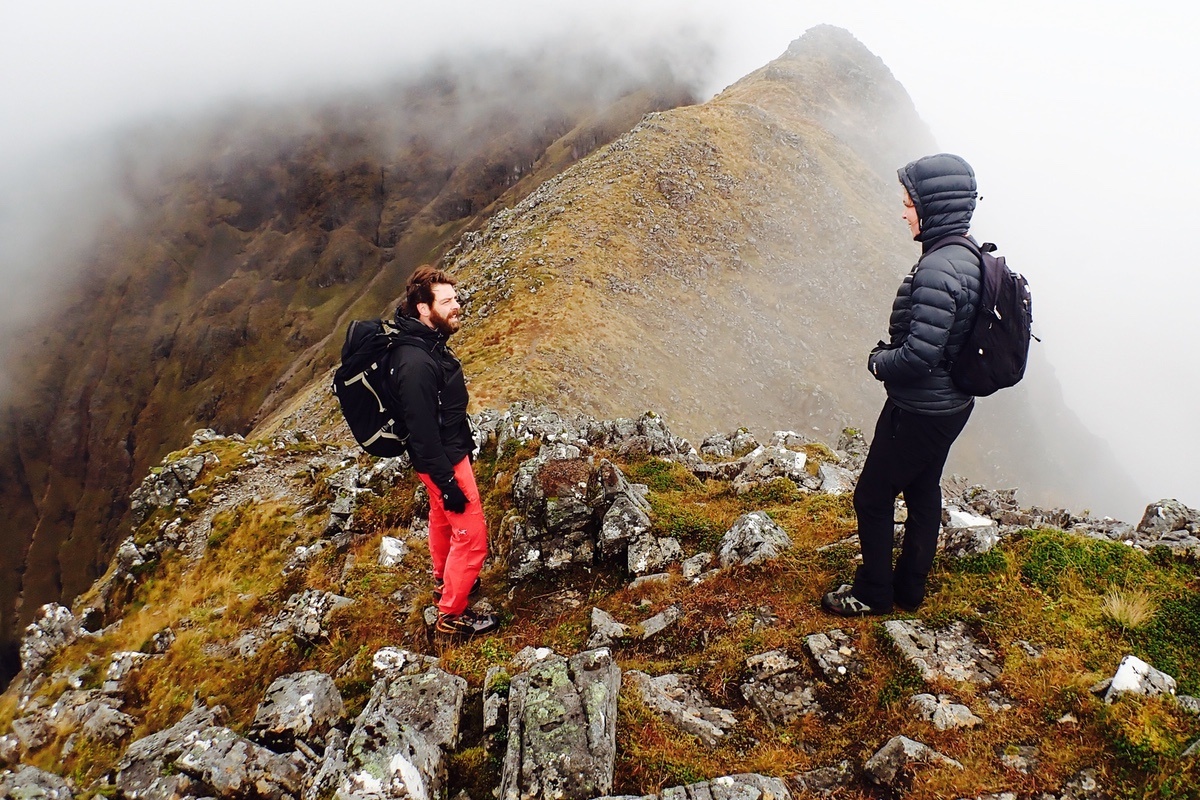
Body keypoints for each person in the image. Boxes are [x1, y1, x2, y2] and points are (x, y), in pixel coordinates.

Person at [822, 153, 983, 617]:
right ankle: (909, 590)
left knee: (871, 497)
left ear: (933, 205)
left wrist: (878, 362)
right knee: (923, 487)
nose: (903, 211)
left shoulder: (936, 270)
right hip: (952, 404)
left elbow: (917, 357)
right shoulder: (967, 255)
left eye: (909, 202)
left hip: (918, 410)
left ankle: (873, 593)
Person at [388, 264, 498, 637]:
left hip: (445, 455)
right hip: (443, 460)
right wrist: (447, 481)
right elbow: (421, 434)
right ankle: (451, 615)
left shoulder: (425, 343)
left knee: (442, 519)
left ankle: (443, 581)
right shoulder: (416, 363)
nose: (457, 306)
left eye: (456, 298)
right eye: (448, 301)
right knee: (472, 537)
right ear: (423, 308)